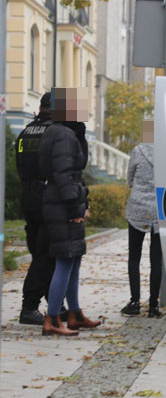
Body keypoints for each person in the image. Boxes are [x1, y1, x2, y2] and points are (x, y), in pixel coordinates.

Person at [39, 87, 101, 336]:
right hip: (63, 206)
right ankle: (53, 319)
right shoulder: (63, 136)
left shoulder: (60, 132)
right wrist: (77, 207)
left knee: (73, 260)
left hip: (60, 202)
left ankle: (74, 314)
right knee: (65, 262)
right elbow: (64, 176)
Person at [15, 92, 54, 325]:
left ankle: (54, 301)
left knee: (40, 253)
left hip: (27, 196)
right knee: (45, 255)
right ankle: (29, 306)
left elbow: (19, 165)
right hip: (46, 197)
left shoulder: (25, 131)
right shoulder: (54, 132)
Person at [120, 120, 164, 318]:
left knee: (134, 257)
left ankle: (135, 301)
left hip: (137, 207)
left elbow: (130, 177)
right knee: (157, 259)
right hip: (158, 209)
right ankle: (153, 305)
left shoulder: (138, 151)